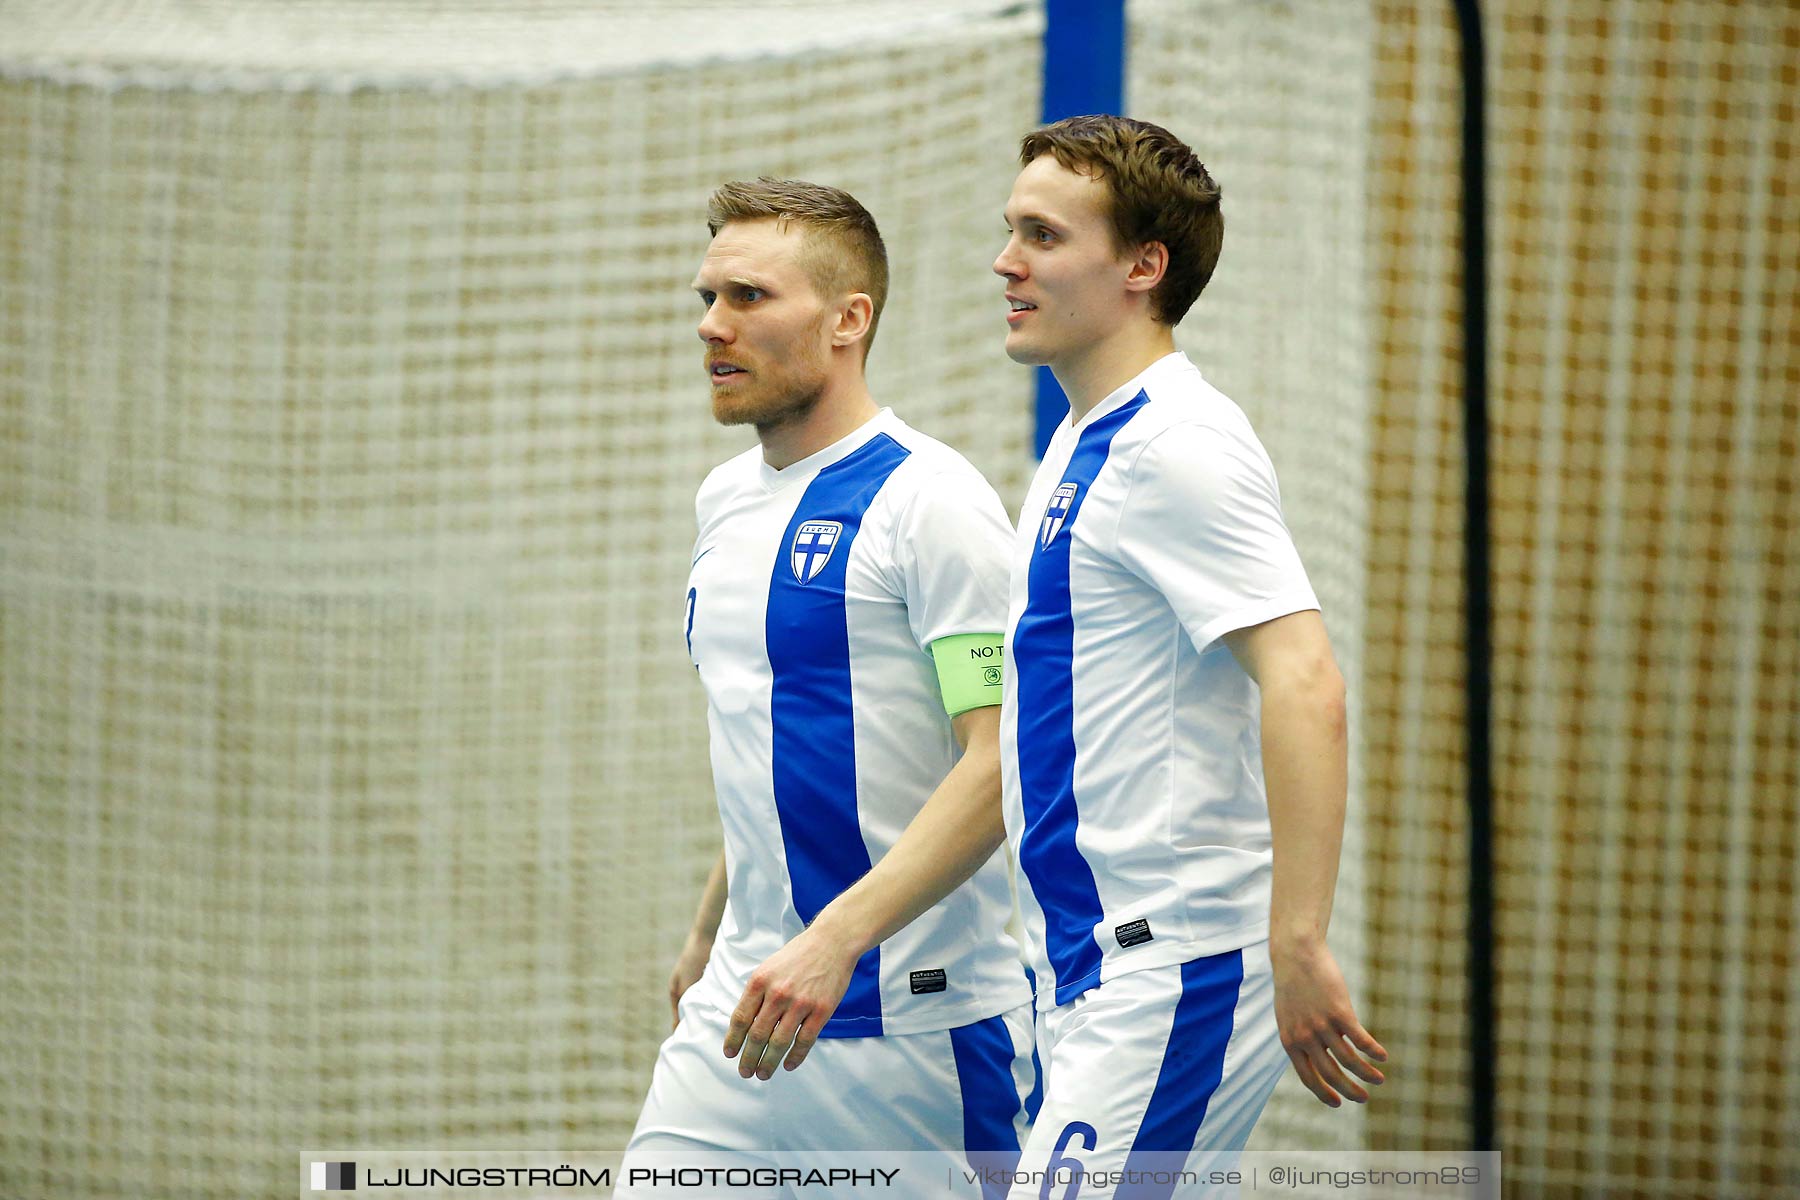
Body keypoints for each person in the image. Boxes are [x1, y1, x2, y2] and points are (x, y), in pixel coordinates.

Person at [990, 115, 1387, 1185]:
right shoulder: (1082, 436)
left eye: (1042, 234)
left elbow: (1306, 681)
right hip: (1082, 970)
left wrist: (1297, 940)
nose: (1006, 259)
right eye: (1011, 228)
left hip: (1176, 965)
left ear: (1142, 266)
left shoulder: (1179, 443)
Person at [619, 179, 1037, 1182]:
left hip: (917, 1027)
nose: (714, 327)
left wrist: (834, 941)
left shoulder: (931, 503)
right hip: (744, 1006)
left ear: (849, 320)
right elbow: (774, 733)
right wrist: (711, 930)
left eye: (749, 298)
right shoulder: (724, 500)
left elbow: (998, 765)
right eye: (707, 298)